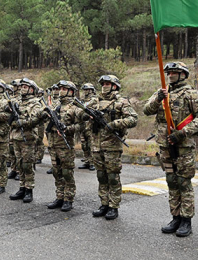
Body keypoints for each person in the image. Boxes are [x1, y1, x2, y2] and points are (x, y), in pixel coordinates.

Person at [143, 62, 198, 237]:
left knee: (184, 183)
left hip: (184, 146)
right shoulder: (163, 93)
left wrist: (182, 133)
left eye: (174, 72)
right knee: (171, 182)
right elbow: (146, 110)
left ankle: (186, 221)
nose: (170, 75)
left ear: (183, 75)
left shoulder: (192, 94)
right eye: (169, 72)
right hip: (165, 146)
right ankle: (175, 217)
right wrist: (158, 97)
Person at [82, 75, 137, 220]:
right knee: (101, 176)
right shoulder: (95, 101)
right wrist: (89, 116)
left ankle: (113, 206)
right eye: (103, 84)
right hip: (96, 145)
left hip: (112, 145)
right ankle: (104, 204)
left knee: (113, 177)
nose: (105, 86)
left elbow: (133, 119)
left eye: (108, 83)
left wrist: (114, 124)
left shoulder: (121, 102)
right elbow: (81, 114)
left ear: (115, 86)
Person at [44, 81, 82, 212]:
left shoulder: (75, 107)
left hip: (65, 146)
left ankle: (68, 199)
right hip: (53, 144)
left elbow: (81, 125)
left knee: (67, 173)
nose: (61, 91)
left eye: (64, 89)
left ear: (71, 91)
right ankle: (59, 197)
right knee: (57, 172)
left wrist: (67, 128)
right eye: (60, 88)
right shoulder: (56, 105)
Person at [8, 78, 44, 203]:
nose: (22, 88)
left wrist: (20, 122)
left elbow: (34, 120)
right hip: (16, 137)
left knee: (27, 165)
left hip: (27, 138)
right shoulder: (16, 101)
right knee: (19, 164)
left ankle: (29, 190)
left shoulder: (35, 103)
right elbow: (8, 117)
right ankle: (22, 187)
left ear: (31, 89)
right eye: (21, 86)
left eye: (25, 86)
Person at [78, 83, 97, 171]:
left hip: (91, 126)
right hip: (82, 125)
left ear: (91, 90)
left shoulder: (94, 99)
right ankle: (87, 161)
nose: (86, 91)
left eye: (87, 90)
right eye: (84, 90)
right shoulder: (82, 100)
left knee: (91, 144)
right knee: (84, 145)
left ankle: (92, 162)